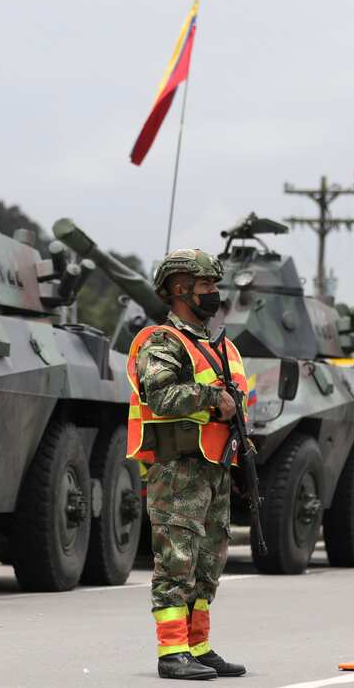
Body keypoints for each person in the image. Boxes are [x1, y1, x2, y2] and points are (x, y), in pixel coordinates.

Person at [126, 247, 249, 680]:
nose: (214, 293)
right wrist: (215, 400)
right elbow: (160, 396)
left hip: (214, 468)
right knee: (176, 561)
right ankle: (172, 651)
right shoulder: (163, 342)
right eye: (206, 286)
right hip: (178, 469)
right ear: (180, 291)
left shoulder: (220, 345)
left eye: (215, 285)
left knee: (208, 563)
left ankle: (198, 647)